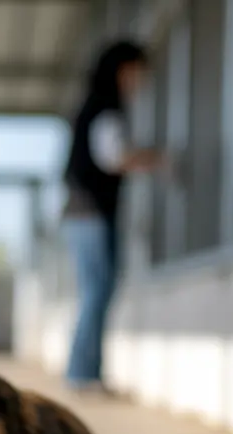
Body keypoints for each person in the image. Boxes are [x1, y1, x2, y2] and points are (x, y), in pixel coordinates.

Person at [61, 40, 162, 394]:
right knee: (97, 291)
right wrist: (158, 160)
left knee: (96, 292)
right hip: (90, 213)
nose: (140, 81)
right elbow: (114, 157)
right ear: (122, 69)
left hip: (81, 213)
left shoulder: (94, 106)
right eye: (138, 72)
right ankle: (82, 374)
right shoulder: (105, 107)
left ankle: (87, 373)